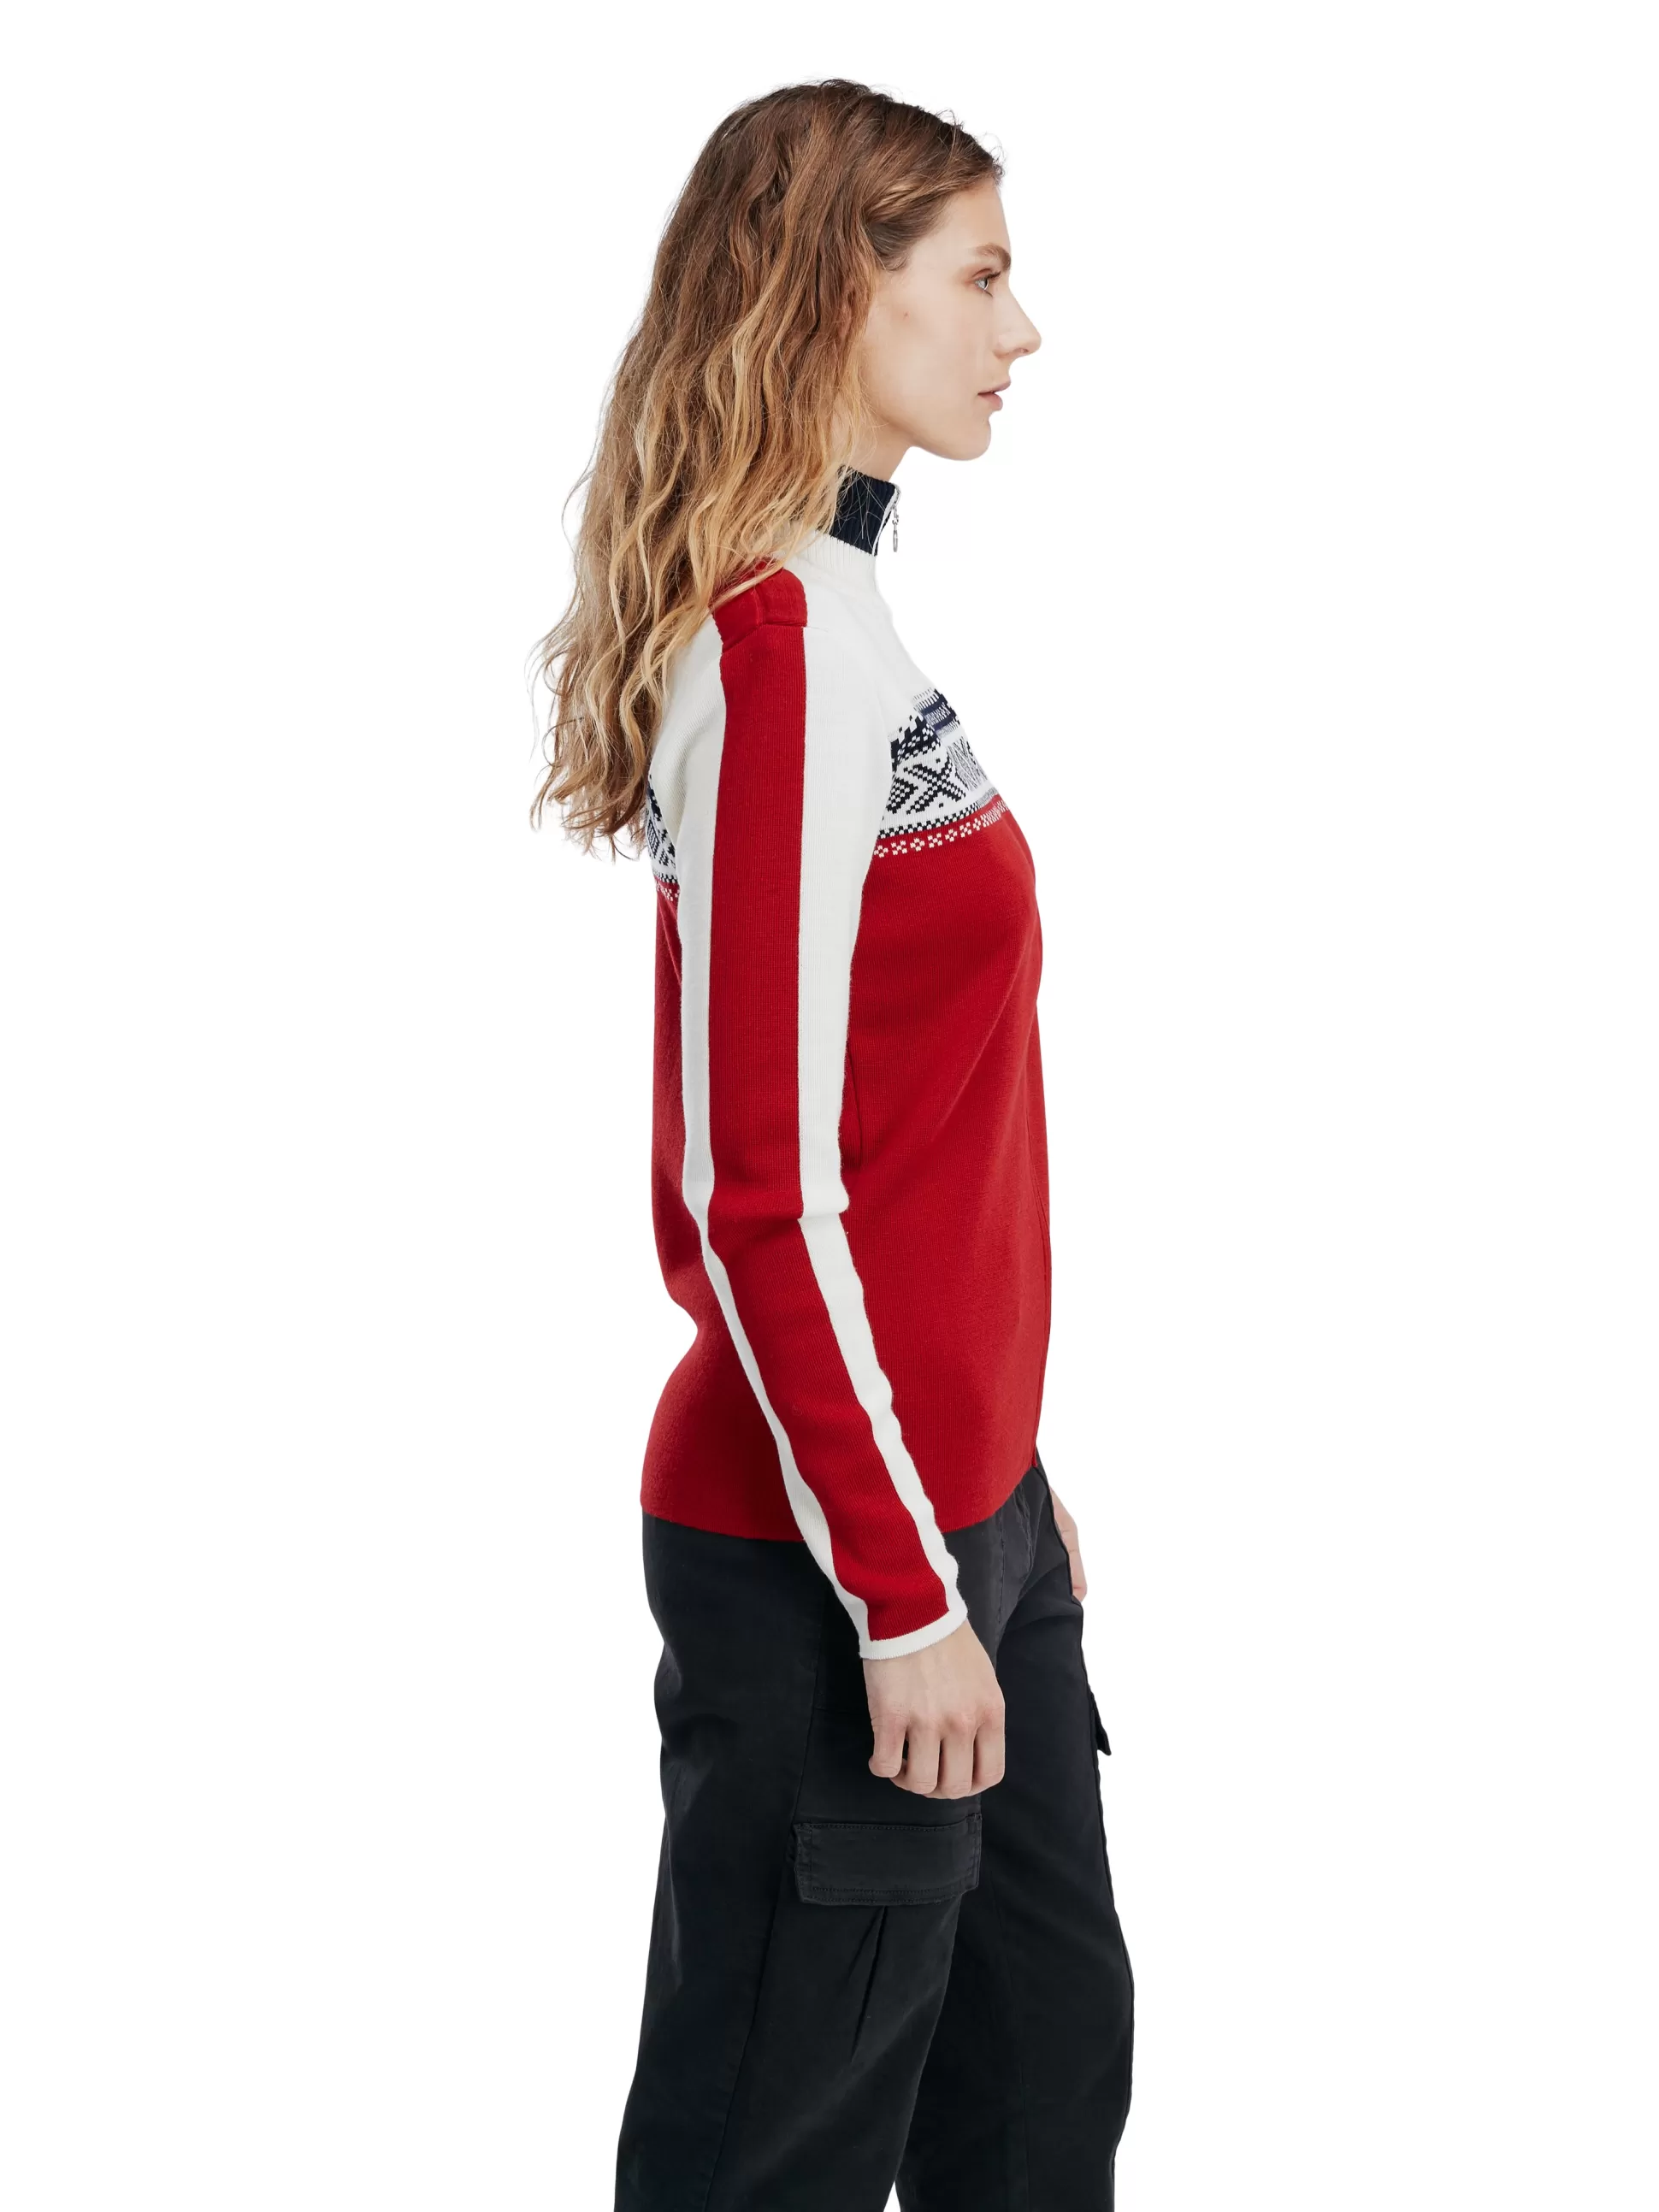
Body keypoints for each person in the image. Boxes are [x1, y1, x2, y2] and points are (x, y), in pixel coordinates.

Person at [532, 77, 1134, 2211]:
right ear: (832, 292)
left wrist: (1004, 1488)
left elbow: (921, 1127)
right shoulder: (776, 657)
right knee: (770, 2156)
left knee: (1040, 2091)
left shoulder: (847, 615)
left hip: (963, 1519)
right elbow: (757, 1197)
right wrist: (895, 1590)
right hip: (827, 1561)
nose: (1018, 329)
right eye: (979, 276)